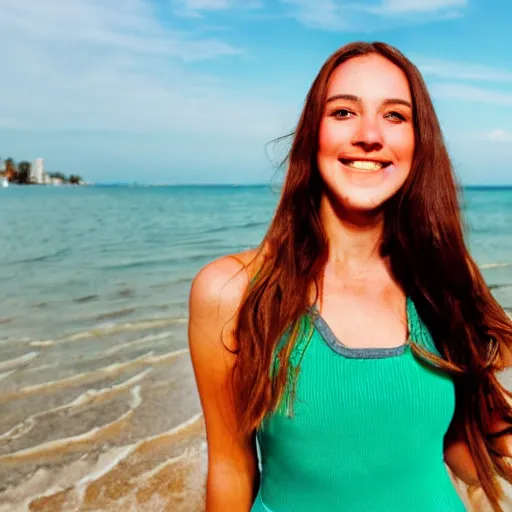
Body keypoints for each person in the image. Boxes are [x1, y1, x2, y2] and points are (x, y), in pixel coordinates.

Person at [188, 41, 512, 512]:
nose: (369, 135)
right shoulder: (231, 290)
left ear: (419, 144)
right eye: (343, 112)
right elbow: (231, 468)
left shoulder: (442, 277)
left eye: (395, 116)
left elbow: (457, 447)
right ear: (310, 133)